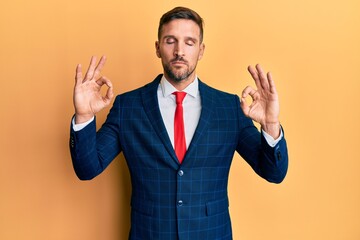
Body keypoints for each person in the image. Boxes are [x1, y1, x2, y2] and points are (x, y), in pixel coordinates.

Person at [69, 6, 288, 240]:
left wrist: (271, 124)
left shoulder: (229, 108)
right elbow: (87, 168)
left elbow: (273, 173)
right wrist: (83, 116)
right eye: (170, 41)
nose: (179, 51)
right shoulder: (128, 106)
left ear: (201, 50)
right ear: (157, 48)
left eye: (189, 42)